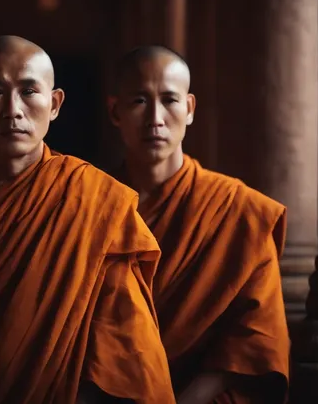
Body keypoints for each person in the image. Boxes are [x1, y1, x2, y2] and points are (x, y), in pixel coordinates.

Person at [0, 36, 175, 404]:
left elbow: (128, 353)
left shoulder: (95, 202)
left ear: (54, 104)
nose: (13, 110)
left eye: (28, 91)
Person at [107, 46, 290, 404]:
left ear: (189, 109)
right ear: (115, 111)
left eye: (170, 100)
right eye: (140, 101)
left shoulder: (238, 211)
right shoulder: (95, 208)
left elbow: (254, 335)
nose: (156, 118)